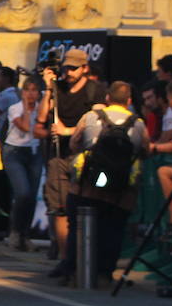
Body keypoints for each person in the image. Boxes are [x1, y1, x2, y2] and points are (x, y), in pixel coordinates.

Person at [57, 80, 148, 286]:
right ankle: (104, 274)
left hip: (87, 185)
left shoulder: (90, 117)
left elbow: (74, 143)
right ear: (129, 101)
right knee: (113, 229)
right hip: (121, 189)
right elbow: (146, 150)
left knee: (78, 227)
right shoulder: (138, 123)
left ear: (107, 98)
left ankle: (73, 271)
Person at [35, 48, 101, 266]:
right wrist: (47, 89)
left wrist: (68, 131)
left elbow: (99, 124)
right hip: (58, 156)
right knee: (59, 206)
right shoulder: (57, 88)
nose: (69, 72)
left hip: (84, 156)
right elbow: (42, 117)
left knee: (84, 205)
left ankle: (84, 256)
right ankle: (65, 259)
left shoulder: (96, 91)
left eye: (73, 68)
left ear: (84, 68)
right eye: (66, 68)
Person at [2, 76, 43, 251]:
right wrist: (26, 108)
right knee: (23, 193)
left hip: (34, 152)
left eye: (34, 90)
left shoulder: (42, 109)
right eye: (27, 90)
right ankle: (15, 231)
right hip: (14, 152)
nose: (31, 94)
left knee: (32, 196)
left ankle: (25, 235)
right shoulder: (14, 108)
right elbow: (25, 127)